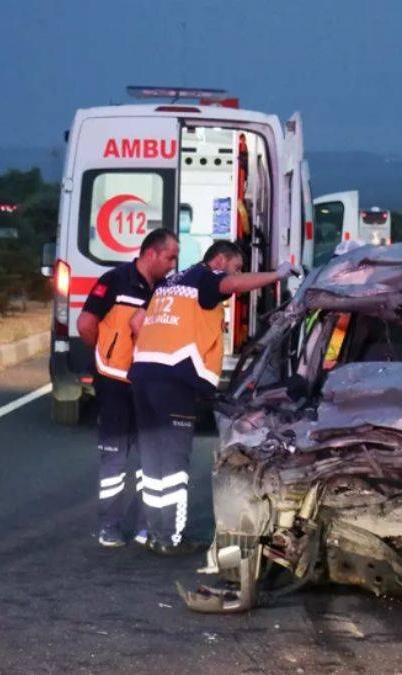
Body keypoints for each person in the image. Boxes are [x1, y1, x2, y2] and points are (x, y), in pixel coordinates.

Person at [129, 241, 297, 555]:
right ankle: (170, 539)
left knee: (153, 460)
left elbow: (136, 322)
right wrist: (276, 274)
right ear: (219, 260)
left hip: (143, 376)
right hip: (173, 382)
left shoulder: (169, 283)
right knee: (175, 464)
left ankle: (154, 532)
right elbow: (231, 283)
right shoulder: (205, 278)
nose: (234, 277)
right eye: (235, 266)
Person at [76, 228, 180, 548]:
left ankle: (147, 526)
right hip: (115, 382)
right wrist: (104, 356)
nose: (173, 264)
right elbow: (85, 324)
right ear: (151, 254)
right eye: (170, 257)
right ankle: (110, 526)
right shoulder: (115, 280)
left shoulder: (164, 288)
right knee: (115, 458)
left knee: (152, 458)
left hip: (149, 383)